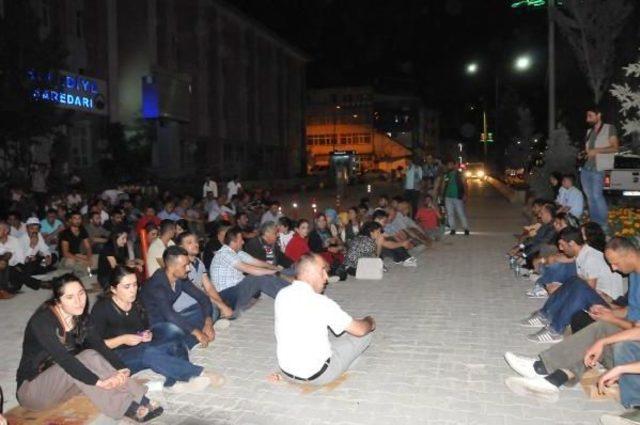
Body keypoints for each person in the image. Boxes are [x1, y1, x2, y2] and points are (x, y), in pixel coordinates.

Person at [503, 238, 640, 410]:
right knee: (583, 321)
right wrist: (611, 313)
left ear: (629, 255)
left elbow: (637, 328)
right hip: (627, 332)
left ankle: (542, 367)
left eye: (615, 264)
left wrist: (610, 321)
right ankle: (552, 380)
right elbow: (631, 311)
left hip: (631, 350)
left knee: (601, 331)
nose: (613, 268)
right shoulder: (635, 273)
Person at [16, 273, 163, 422]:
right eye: (70, 297)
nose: (78, 301)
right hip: (34, 392)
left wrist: (121, 368)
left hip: (66, 388)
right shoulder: (42, 321)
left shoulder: (80, 317)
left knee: (92, 355)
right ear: (58, 301)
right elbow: (65, 360)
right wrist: (98, 382)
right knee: (85, 359)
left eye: (81, 294)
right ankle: (126, 407)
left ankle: (141, 398)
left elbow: (99, 345)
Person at [91, 266, 219, 393]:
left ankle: (173, 382)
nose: (133, 290)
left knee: (174, 343)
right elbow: (95, 345)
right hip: (117, 358)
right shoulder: (102, 309)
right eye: (127, 286)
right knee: (149, 353)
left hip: (139, 348)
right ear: (113, 289)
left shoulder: (136, 303)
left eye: (135, 285)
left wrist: (146, 334)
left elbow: (143, 329)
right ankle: (198, 373)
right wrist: (123, 339)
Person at [272, 254, 375, 385]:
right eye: (324, 272)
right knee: (364, 333)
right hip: (319, 375)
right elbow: (359, 331)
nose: (326, 278)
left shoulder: (282, 294)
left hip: (287, 371)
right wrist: (370, 321)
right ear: (310, 273)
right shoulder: (321, 302)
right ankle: (346, 362)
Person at [521, 227, 624, 344]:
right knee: (573, 281)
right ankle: (544, 315)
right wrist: (561, 287)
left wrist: (561, 288)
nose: (560, 248)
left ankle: (555, 330)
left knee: (576, 286)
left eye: (562, 245)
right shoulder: (583, 255)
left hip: (608, 302)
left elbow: (588, 289)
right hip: (597, 295)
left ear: (572, 243)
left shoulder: (590, 258)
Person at [140, 246, 216, 350]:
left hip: (173, 319)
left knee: (212, 309)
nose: (188, 269)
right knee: (174, 330)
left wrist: (208, 323)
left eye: (188, 264)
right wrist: (196, 332)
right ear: (171, 267)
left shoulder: (179, 278)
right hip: (156, 327)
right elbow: (169, 315)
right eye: (185, 266)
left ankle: (190, 339)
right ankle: (183, 343)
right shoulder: (157, 286)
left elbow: (203, 298)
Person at [210, 227, 289, 313]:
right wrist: (273, 272)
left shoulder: (237, 252)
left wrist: (276, 269)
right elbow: (251, 270)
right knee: (259, 278)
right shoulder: (224, 254)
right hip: (228, 294)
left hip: (238, 288)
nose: (243, 242)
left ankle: (292, 289)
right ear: (233, 242)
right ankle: (289, 298)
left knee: (270, 274)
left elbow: (258, 263)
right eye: (241, 240)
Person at [172, 231, 234, 320]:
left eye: (196, 241)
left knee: (225, 303)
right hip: (186, 308)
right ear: (181, 247)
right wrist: (221, 306)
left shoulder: (198, 262)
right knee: (213, 308)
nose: (195, 244)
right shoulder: (181, 266)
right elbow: (198, 293)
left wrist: (222, 304)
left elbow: (209, 287)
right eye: (190, 242)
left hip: (198, 302)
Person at [581, 106, 619, 231]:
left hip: (600, 168)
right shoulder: (588, 132)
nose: (588, 119)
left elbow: (615, 148)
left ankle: (603, 224)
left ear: (599, 115)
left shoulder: (609, 128)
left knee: (597, 196)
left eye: (590, 116)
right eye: (587, 116)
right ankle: (594, 223)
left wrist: (597, 151)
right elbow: (589, 151)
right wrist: (583, 154)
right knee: (590, 197)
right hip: (586, 168)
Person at [0, 221, 43, 296]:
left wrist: (32, 246)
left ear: (6, 231)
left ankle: (7, 289)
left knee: (16, 268)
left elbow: (22, 259)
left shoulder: (14, 240)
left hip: (12, 273)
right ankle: (42, 283)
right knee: (6, 259)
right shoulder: (20, 239)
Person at [442, 159, 470, 236]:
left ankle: (466, 228)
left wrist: (466, 195)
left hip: (457, 196)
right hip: (448, 196)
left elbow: (465, 185)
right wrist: (442, 195)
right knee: (450, 214)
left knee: (461, 213)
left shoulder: (460, 174)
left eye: (451, 164)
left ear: (454, 165)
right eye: (448, 165)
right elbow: (444, 184)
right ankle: (452, 229)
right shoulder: (446, 174)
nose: (449, 166)